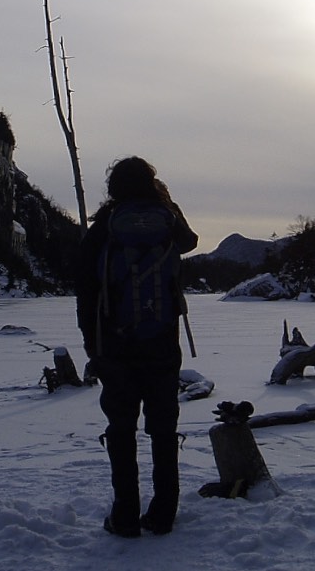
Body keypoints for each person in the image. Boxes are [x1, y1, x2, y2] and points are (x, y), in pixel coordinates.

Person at [75, 156, 198, 537]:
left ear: (114, 186)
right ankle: (164, 514)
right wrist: (166, 202)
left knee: (121, 429)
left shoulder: (105, 227)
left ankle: (125, 516)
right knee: (163, 429)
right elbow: (190, 242)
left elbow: (85, 289)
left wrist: (93, 347)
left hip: (116, 346)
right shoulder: (166, 220)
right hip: (162, 343)